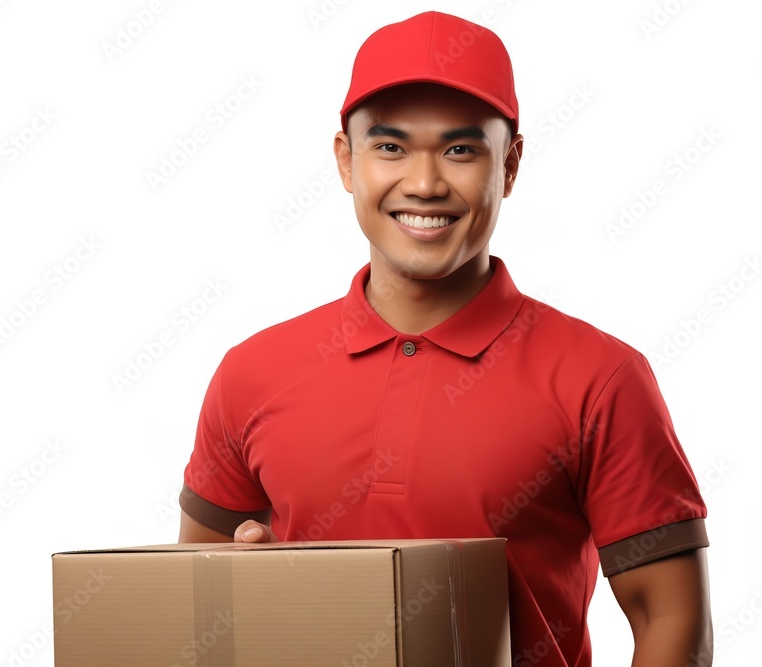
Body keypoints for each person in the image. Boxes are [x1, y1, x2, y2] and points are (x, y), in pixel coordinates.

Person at [177, 11, 711, 666]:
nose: (425, 183)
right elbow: (192, 603)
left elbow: (670, 618)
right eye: (390, 147)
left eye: (461, 150)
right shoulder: (252, 371)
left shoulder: (600, 376)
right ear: (346, 161)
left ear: (509, 165)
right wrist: (244, 589)